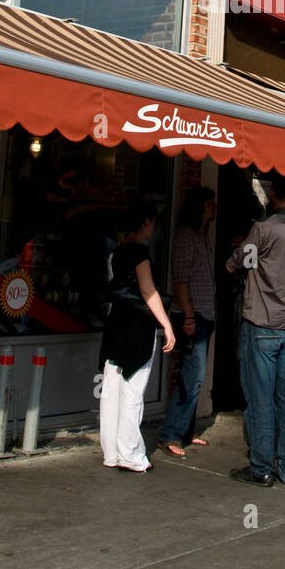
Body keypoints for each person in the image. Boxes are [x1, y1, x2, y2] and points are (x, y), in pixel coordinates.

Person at [226, 172, 285, 486]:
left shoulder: (262, 229)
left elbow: (236, 263)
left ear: (272, 193)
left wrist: (238, 249)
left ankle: (261, 467)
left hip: (262, 323)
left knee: (261, 398)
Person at [98, 201, 175, 473]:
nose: (153, 227)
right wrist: (166, 323)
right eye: (151, 222)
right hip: (137, 327)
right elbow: (148, 290)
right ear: (143, 223)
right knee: (132, 392)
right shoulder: (140, 252)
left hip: (116, 324)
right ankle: (130, 454)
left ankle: (111, 452)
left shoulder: (117, 252)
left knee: (111, 390)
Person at [158, 187, 217, 456]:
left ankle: (185, 429)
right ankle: (171, 434)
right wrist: (190, 315)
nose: (213, 208)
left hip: (204, 314)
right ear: (198, 207)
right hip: (192, 316)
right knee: (191, 377)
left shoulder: (201, 236)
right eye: (209, 204)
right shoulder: (185, 236)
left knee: (196, 377)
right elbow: (180, 279)